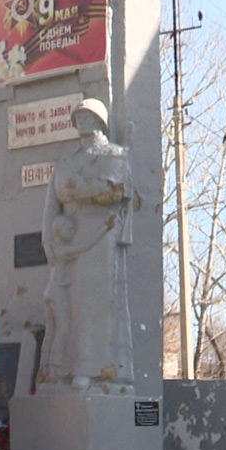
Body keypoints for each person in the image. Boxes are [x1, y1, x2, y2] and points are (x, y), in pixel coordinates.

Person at [40, 98, 135, 394]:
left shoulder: (116, 155)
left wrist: (80, 188)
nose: (82, 120)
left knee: (95, 306)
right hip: (68, 240)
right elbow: (51, 205)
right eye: (78, 116)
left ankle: (93, 370)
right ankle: (63, 369)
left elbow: (114, 191)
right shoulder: (65, 164)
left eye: (88, 116)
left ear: (100, 121)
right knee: (68, 309)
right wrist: (48, 242)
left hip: (100, 238)